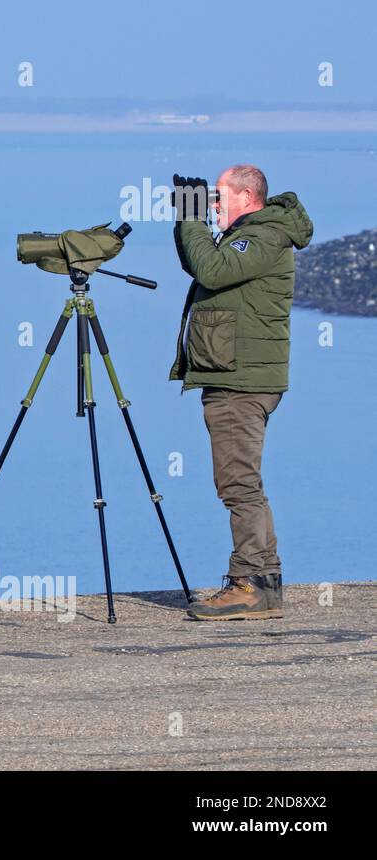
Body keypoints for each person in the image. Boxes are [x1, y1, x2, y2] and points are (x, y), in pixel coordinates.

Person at [170, 166, 313, 621]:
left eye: (218, 197)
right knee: (245, 484)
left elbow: (210, 269)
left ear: (247, 196)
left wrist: (192, 218)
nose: (213, 205)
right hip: (240, 375)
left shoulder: (263, 237)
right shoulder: (252, 235)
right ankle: (264, 583)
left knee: (238, 486)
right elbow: (203, 263)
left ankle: (248, 583)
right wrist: (187, 220)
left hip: (240, 382)